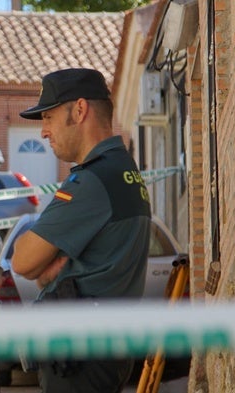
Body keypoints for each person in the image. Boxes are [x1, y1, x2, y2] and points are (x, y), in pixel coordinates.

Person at [11, 68, 151, 393]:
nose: (44, 132)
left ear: (79, 110)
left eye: (48, 117)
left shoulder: (91, 180)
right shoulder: (124, 170)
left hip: (80, 352)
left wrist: (49, 263)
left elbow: (22, 261)